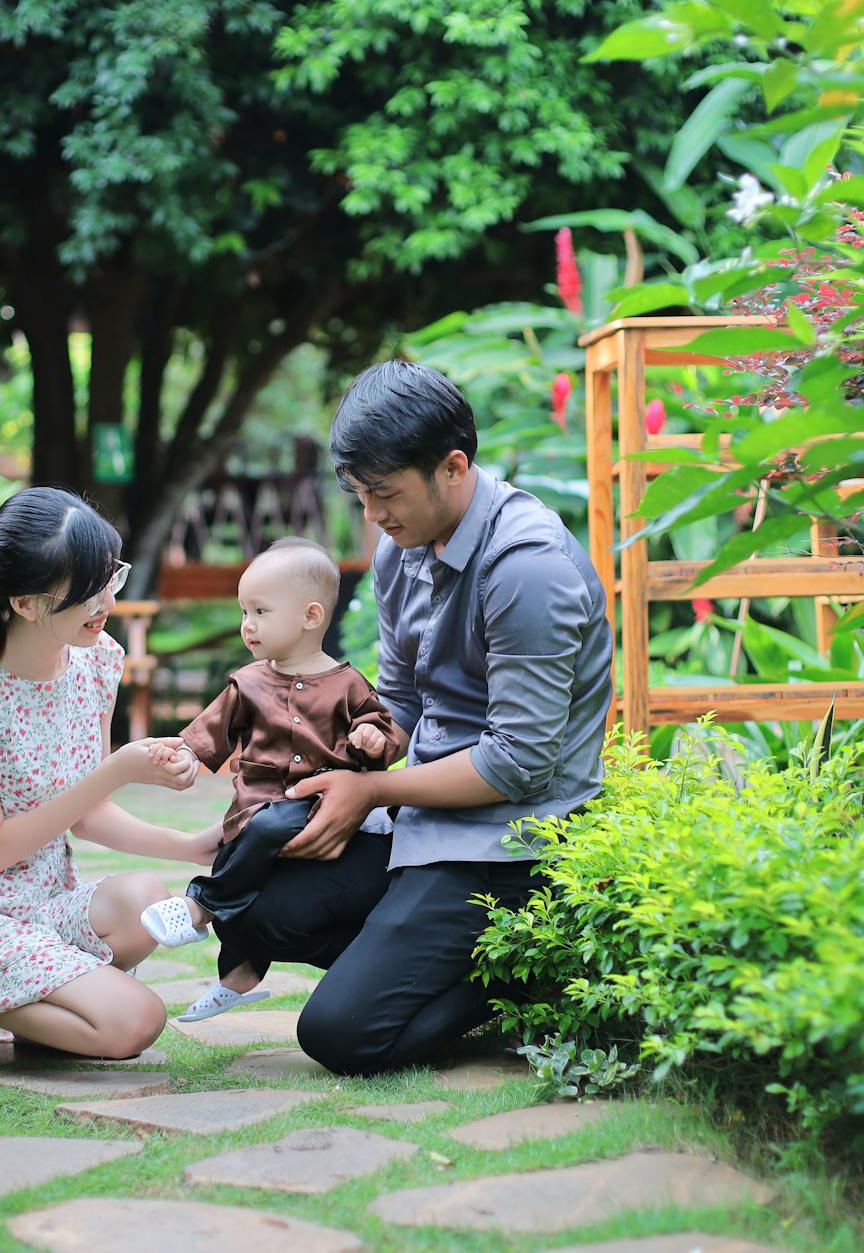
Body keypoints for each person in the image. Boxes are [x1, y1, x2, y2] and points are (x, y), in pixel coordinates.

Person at [213, 360, 614, 1076]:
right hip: (422, 822)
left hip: (509, 843)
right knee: (247, 907)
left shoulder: (526, 567)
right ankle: (413, 958)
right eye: (362, 494)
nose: (372, 514)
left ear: (453, 467)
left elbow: (518, 763)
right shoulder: (402, 544)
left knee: (338, 1034)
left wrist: (371, 790)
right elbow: (398, 696)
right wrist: (355, 746)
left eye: (385, 493)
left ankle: (518, 975)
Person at [0, 487, 216, 1087]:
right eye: (88, 589)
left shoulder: (97, 659)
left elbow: (88, 818)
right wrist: (119, 769)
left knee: (143, 899)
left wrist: (192, 845)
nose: (108, 598)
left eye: (111, 576)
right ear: (27, 603)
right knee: (135, 1022)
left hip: (46, 905)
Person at [133, 536, 404, 1022]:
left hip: (316, 806)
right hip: (255, 806)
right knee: (248, 856)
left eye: (260, 611)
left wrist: (369, 738)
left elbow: (382, 730)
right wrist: (187, 758)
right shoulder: (248, 682)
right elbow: (209, 734)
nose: (247, 625)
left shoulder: (347, 683)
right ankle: (236, 978)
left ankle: (203, 905)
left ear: (311, 616)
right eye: (243, 612)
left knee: (265, 835)